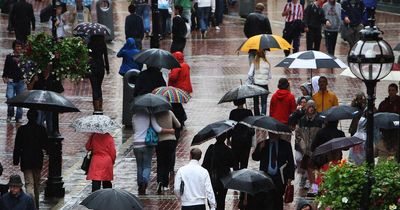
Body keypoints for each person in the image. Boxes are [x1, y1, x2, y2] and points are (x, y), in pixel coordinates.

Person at [132, 111, 175, 195]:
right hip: (146, 143)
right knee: (147, 165)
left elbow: (134, 129)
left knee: (139, 165)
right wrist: (170, 130)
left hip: (136, 143)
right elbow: (157, 129)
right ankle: (144, 182)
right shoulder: (150, 115)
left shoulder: (134, 116)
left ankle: (140, 183)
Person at [13, 110, 48, 209]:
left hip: (26, 160)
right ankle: (35, 206)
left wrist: (16, 160)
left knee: (29, 185)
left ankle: (31, 206)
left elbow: (17, 146)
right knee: (36, 185)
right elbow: (45, 145)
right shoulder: (41, 129)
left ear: (27, 117)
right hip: (37, 160)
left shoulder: (22, 129)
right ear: (37, 117)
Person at [252, 132, 295, 210]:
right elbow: (255, 157)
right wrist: (260, 148)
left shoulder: (286, 145)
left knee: (278, 199)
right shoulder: (263, 143)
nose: (272, 134)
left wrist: (290, 177)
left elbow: (291, 162)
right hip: (266, 176)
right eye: (271, 132)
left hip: (280, 177)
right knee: (268, 199)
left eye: (274, 133)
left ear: (278, 133)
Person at [29, 63, 64, 135]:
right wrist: (34, 81)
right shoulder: (37, 76)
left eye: (48, 68)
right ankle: (38, 135)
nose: (46, 69)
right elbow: (29, 88)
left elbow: (60, 90)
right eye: (45, 68)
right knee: (39, 121)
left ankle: (50, 136)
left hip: (50, 104)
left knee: (50, 123)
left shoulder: (54, 77)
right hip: (39, 103)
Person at [202, 133, 234, 210]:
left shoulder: (211, 148)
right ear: (225, 138)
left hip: (212, 178)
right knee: (222, 199)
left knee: (212, 197)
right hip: (224, 178)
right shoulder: (228, 150)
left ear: (216, 137)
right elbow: (232, 164)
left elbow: (205, 164)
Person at [297, 101, 323, 193]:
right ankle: (314, 189)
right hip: (306, 151)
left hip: (317, 150)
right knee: (309, 169)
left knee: (317, 170)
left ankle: (316, 188)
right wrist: (303, 146)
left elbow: (321, 134)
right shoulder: (302, 120)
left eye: (312, 107)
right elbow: (298, 135)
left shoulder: (319, 120)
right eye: (309, 107)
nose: (311, 109)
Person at [155, 110, 181, 194]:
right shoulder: (170, 112)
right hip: (171, 140)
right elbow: (178, 124)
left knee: (160, 162)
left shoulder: (155, 114)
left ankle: (159, 181)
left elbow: (156, 128)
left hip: (160, 141)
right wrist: (171, 129)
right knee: (167, 163)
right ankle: (165, 185)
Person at [2, 40, 26, 123]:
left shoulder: (24, 57)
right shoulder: (9, 57)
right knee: (10, 98)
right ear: (14, 47)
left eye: (20, 46)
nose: (18, 48)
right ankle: (10, 114)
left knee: (20, 100)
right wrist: (4, 77)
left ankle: (18, 117)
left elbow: (27, 69)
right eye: (17, 46)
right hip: (11, 81)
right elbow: (6, 68)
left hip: (21, 82)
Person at [228, 98, 254, 170]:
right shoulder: (248, 112)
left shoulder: (233, 112)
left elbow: (230, 126)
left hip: (236, 139)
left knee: (235, 161)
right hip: (246, 140)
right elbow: (252, 125)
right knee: (244, 162)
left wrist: (228, 138)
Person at [377, 83, 400, 159]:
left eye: (393, 90)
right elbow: (379, 118)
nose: (391, 92)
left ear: (397, 91)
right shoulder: (383, 104)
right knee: (384, 155)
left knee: (396, 155)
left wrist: (394, 123)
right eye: (389, 90)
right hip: (385, 132)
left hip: (397, 132)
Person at [87, 35, 109, 114]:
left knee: (94, 87)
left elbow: (87, 55)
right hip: (101, 67)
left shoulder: (90, 43)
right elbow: (105, 57)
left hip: (92, 67)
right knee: (99, 86)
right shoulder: (102, 43)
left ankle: (96, 107)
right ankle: (100, 106)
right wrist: (107, 68)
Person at [247, 50, 272, 116]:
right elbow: (270, 76)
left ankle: (256, 116)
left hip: (256, 85)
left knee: (256, 102)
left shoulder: (254, 63)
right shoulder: (267, 63)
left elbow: (249, 74)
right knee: (264, 103)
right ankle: (263, 116)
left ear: (256, 55)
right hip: (264, 85)